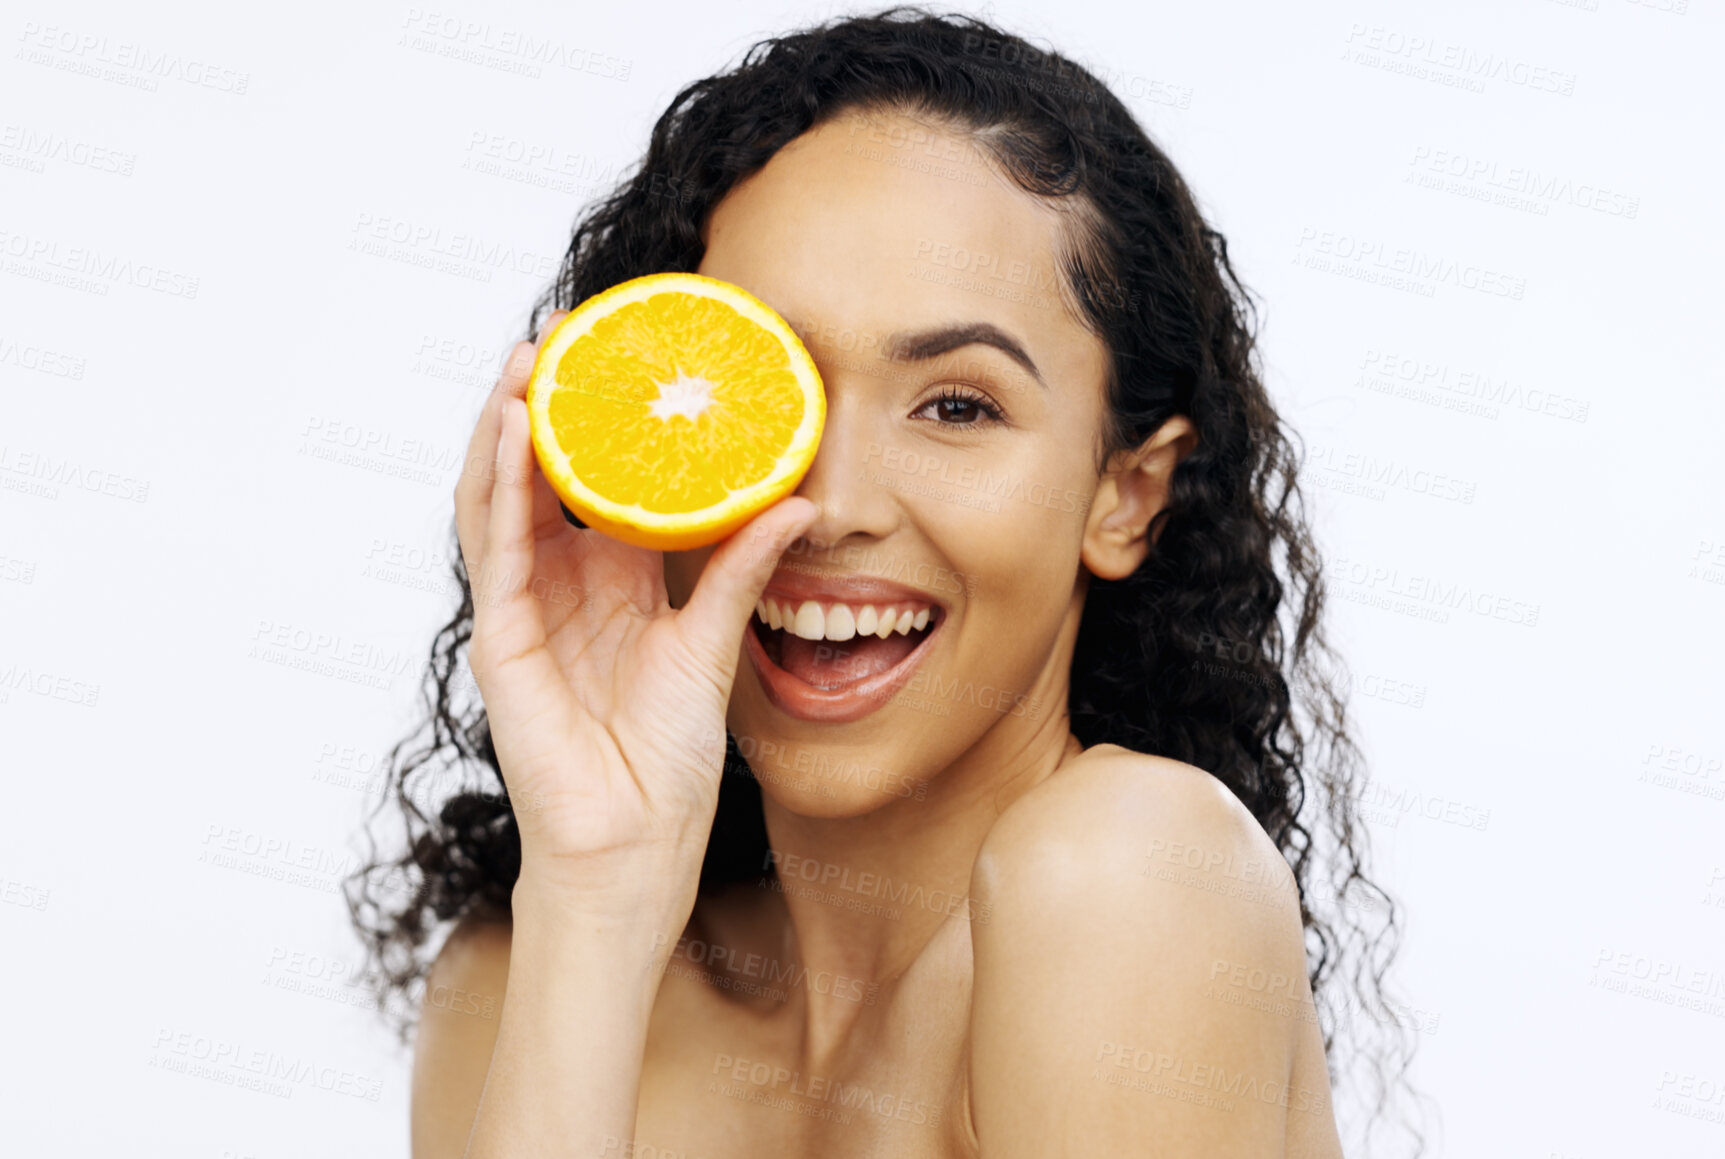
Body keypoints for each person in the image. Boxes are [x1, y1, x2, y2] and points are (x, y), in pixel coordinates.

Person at [348, 8, 1420, 1156]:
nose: (837, 501)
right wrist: (596, 894)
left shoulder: (1123, 877)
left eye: (958, 406)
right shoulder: (521, 971)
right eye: (762, 394)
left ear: (1128, 492)